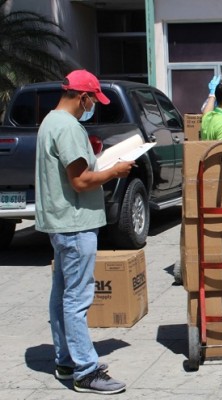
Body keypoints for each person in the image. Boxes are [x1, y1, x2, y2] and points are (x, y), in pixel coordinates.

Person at [35, 69, 133, 394]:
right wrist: (113, 170)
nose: (93, 107)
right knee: (77, 299)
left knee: (61, 294)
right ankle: (86, 371)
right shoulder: (68, 127)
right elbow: (80, 181)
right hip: (76, 224)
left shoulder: (50, 121)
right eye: (93, 101)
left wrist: (94, 157)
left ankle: (66, 360)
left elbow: (71, 173)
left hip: (60, 222)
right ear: (83, 97)